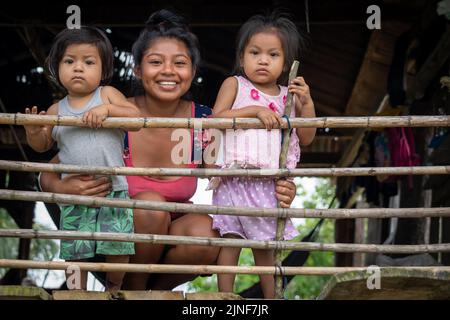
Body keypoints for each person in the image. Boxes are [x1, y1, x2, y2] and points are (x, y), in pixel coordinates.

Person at [39, 9, 298, 291]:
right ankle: (133, 292)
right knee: (151, 207)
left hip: (172, 242)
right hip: (114, 237)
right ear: (138, 69)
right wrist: (59, 186)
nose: (168, 71)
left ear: (192, 71)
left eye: (179, 63)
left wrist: (281, 186)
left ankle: (148, 293)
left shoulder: (203, 121)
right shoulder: (114, 114)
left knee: (209, 229)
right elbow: (53, 168)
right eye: (155, 62)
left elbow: (232, 170)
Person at [24, 26, 140, 293]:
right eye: (69, 61)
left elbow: (136, 121)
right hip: (75, 192)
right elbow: (43, 146)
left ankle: (114, 288)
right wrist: (33, 132)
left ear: (103, 70)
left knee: (118, 245)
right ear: (56, 68)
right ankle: (78, 293)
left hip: (114, 189)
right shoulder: (56, 109)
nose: (78, 68)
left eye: (88, 62)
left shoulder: (107, 95)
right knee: (76, 250)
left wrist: (109, 110)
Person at [210, 12, 316, 298]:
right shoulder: (235, 85)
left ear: (285, 63)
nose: (263, 60)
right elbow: (217, 119)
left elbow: (306, 136)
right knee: (230, 243)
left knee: (265, 249)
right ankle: (224, 299)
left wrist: (306, 103)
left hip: (268, 185)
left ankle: (272, 299)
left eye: (273, 54)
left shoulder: (288, 96)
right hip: (233, 179)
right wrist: (253, 111)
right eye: (254, 52)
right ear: (242, 56)